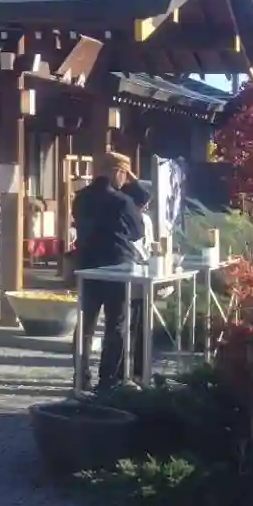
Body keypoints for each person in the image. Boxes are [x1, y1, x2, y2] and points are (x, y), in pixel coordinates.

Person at [73, 151, 146, 391]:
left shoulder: (81, 198)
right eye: (124, 174)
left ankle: (81, 377)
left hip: (87, 264)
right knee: (116, 324)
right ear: (118, 172)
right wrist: (133, 184)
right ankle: (109, 379)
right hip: (117, 265)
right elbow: (138, 232)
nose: (125, 179)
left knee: (86, 323)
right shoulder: (122, 201)